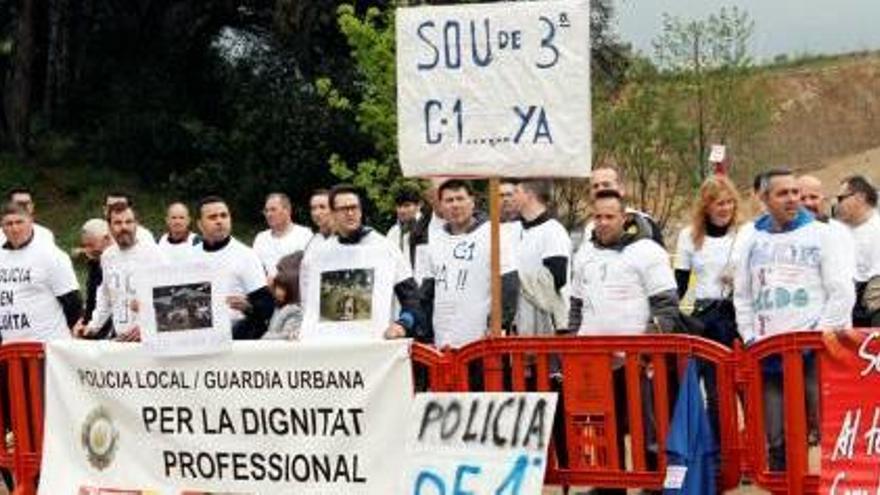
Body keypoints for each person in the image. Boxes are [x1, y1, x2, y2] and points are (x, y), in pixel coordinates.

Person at [734, 168, 855, 470]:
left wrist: (818, 337)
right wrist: (750, 336)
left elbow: (841, 291)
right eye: (782, 193)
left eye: (795, 192)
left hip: (815, 352)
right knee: (776, 436)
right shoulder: (750, 236)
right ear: (764, 198)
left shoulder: (823, 234)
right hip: (769, 352)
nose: (792, 199)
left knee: (830, 429)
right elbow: (743, 294)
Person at [568, 190, 679, 494]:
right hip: (595, 361)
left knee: (648, 425)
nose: (602, 222)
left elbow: (667, 306)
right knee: (603, 424)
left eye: (609, 216)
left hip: (639, 361)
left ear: (624, 218)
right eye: (598, 216)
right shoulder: (583, 255)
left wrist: (645, 349)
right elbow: (576, 306)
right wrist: (575, 347)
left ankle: (653, 484)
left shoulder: (647, 252)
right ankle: (607, 483)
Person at [303, 184, 426, 341]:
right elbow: (311, 308)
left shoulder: (385, 248)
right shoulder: (320, 254)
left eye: (354, 207)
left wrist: (403, 324)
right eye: (343, 209)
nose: (350, 213)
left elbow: (413, 298)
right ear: (333, 214)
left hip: (373, 348)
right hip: (331, 347)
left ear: (361, 210)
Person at [674, 175, 744, 445]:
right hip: (705, 317)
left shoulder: (744, 234)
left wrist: (739, 278)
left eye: (729, 202)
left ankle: (752, 452)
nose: (724, 208)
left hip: (738, 314)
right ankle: (720, 451)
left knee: (745, 388)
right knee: (715, 391)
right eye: (718, 203)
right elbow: (678, 286)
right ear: (706, 206)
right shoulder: (688, 236)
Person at [419, 180, 517, 348]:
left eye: (460, 198)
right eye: (449, 200)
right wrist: (425, 334)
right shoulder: (434, 239)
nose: (455, 205)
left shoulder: (493, 234)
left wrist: (498, 325)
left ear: (472, 201)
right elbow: (427, 293)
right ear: (440, 206)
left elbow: (509, 285)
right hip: (444, 342)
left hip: (482, 342)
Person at [77, 203, 165, 341]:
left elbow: (169, 297)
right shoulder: (107, 256)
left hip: (149, 339)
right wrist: (93, 326)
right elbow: (106, 297)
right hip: (121, 340)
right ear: (110, 227)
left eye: (128, 222)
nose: (124, 227)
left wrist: (149, 325)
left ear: (136, 224)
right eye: (117, 223)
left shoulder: (154, 254)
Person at [194, 196, 274, 340]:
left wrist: (248, 307)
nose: (219, 221)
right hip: (197, 337)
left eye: (224, 215)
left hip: (235, 339)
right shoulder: (189, 256)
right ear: (200, 224)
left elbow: (267, 306)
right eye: (212, 217)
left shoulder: (246, 256)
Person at [0, 201, 81, 343]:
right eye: (9, 224)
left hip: (47, 345)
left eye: (19, 222)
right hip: (10, 347)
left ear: (31, 222)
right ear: (2, 227)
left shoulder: (50, 255)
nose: (15, 228)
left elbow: (72, 301)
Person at [513, 179, 569, 335]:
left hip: (550, 325)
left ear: (530, 195)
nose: (512, 197)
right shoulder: (517, 230)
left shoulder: (553, 231)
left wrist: (515, 279)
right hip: (524, 322)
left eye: (517, 192)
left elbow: (557, 277)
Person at [581, 165, 665, 248]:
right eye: (595, 186)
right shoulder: (589, 228)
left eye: (606, 185)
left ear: (621, 189)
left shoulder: (644, 224)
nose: (600, 189)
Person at [836, 175, 880, 326]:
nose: (837, 204)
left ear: (860, 197)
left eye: (841, 198)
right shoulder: (838, 230)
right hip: (850, 297)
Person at [252, 192, 313, 279]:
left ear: (287, 210)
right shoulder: (261, 238)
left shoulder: (305, 235)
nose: (268, 214)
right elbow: (254, 271)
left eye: (273, 210)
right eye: (266, 210)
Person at [76, 218, 114, 339]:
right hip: (97, 324)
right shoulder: (95, 262)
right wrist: (85, 323)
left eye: (91, 245)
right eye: (85, 245)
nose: (88, 250)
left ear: (107, 238)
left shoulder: (117, 261)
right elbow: (92, 299)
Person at [265, 252, 304, 340]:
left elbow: (285, 338)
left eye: (282, 286)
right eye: (277, 285)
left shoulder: (294, 311)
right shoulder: (280, 306)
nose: (277, 292)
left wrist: (258, 337)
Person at [386, 184, 423, 254]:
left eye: (407, 205)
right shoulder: (393, 232)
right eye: (399, 206)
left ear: (419, 205)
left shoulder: (430, 229)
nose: (402, 210)